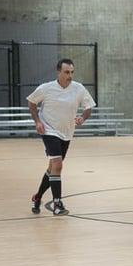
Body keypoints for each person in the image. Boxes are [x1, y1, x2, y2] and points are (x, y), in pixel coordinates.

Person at [27, 58, 96, 216]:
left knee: (53, 169)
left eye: (72, 72)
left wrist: (83, 118)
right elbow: (31, 103)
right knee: (58, 165)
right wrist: (37, 121)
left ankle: (37, 197)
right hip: (49, 130)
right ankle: (57, 204)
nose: (70, 75)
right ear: (58, 72)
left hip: (67, 132)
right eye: (66, 72)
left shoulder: (78, 88)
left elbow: (88, 107)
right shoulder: (46, 88)